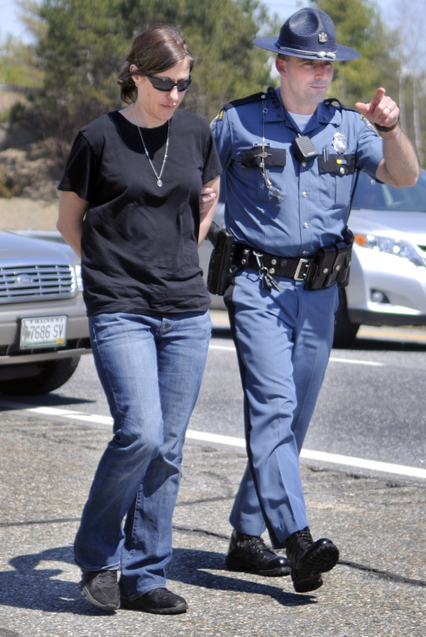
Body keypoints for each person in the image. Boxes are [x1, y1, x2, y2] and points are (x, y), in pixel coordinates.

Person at [210, 8, 419, 594]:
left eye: (328, 62)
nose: (321, 72)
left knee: (294, 414)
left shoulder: (351, 128)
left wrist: (390, 127)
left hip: (322, 293)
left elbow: (404, 176)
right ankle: (297, 540)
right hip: (259, 287)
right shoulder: (237, 122)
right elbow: (193, 184)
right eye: (308, 61)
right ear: (280, 63)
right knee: (273, 406)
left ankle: (246, 535)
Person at [57, 24, 221, 614]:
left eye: (183, 83)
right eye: (164, 82)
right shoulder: (98, 137)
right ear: (135, 74)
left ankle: (146, 574)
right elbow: (68, 221)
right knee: (140, 433)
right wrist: (110, 272)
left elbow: (206, 194)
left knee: (169, 448)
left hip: (184, 309)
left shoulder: (199, 132)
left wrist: (178, 254)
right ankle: (98, 558)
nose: (175, 94)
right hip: (120, 306)